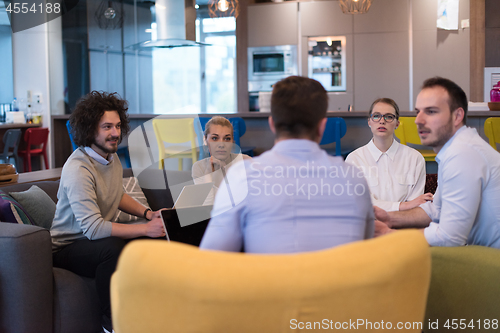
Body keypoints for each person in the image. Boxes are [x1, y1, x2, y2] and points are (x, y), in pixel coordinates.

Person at [200, 76, 374, 253]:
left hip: (270, 280)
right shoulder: (355, 178)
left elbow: (211, 259)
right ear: (322, 127)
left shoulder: (242, 177)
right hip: (339, 280)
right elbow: (366, 248)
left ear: (272, 124)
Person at [50, 91, 165, 333]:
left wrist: (148, 215)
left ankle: (154, 310)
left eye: (117, 125)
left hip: (92, 239)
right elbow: (92, 229)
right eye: (107, 127)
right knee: (112, 248)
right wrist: (144, 228)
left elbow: (117, 194)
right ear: (90, 129)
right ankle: (111, 324)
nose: (115, 133)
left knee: (154, 239)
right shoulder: (78, 169)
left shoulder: (110, 158)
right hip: (68, 246)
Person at [375, 77, 500, 248]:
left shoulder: (462, 154)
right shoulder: (458, 148)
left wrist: (389, 234)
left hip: (491, 262)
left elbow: (450, 238)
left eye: (431, 111)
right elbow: (437, 210)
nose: (418, 119)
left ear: (457, 116)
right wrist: (389, 218)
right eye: (418, 111)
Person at [345, 98, 433, 211]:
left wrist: (406, 208)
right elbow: (361, 203)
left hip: (405, 222)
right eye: (376, 116)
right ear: (369, 122)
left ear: (397, 123)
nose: (382, 121)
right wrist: (403, 205)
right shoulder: (354, 159)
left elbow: (415, 204)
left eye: (389, 117)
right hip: (370, 224)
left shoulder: (415, 158)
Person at [192, 116, 252, 205]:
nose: (221, 144)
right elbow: (206, 208)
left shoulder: (245, 161)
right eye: (215, 138)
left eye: (227, 138)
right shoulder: (199, 167)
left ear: (233, 142)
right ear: (205, 140)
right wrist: (208, 173)